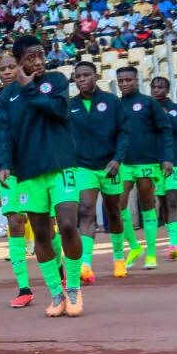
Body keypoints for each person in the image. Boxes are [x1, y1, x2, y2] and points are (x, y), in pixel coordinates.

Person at [0, 35, 85, 318]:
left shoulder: (56, 81)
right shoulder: (6, 98)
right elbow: (3, 135)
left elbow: (58, 110)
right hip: (29, 173)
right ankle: (56, 293)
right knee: (42, 234)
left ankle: (73, 288)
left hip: (62, 166)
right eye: (31, 58)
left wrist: (30, 88)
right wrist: (3, 165)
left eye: (41, 55)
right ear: (20, 62)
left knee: (68, 225)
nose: (39, 61)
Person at [69, 62, 130, 281]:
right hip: (83, 167)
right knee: (86, 210)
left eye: (86, 75)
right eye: (78, 76)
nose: (82, 79)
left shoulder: (112, 102)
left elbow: (125, 132)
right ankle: (86, 263)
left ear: (96, 76)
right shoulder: (70, 105)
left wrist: (117, 159)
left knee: (113, 212)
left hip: (109, 166)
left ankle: (118, 258)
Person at [0, 53, 34, 308]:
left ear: (19, 68)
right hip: (9, 173)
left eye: (11, 67)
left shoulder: (31, 93)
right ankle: (24, 287)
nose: (6, 72)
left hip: (36, 171)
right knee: (15, 222)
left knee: (45, 227)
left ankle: (60, 276)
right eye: (2, 69)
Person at [117, 65, 174, 270]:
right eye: (121, 81)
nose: (124, 84)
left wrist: (168, 157)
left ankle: (151, 253)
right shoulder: (115, 104)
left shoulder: (148, 103)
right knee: (118, 205)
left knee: (147, 205)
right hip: (123, 163)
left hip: (147, 161)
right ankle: (134, 246)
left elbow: (166, 129)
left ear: (136, 81)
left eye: (128, 80)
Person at [150, 76, 177, 259]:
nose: (156, 90)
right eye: (153, 87)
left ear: (167, 90)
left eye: (160, 87)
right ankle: (172, 237)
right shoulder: (147, 109)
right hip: (154, 162)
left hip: (176, 161)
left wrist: (168, 118)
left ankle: (174, 242)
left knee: (173, 199)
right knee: (163, 204)